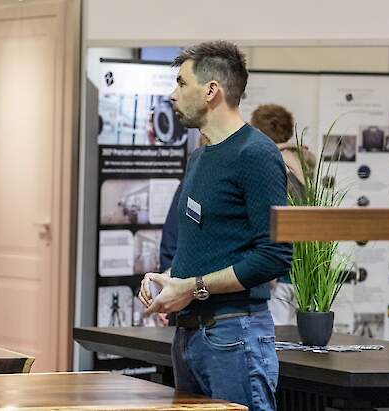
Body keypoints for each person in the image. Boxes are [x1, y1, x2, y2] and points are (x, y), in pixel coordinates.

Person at [138, 41, 292, 410]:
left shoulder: (256, 154)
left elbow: (274, 256)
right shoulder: (200, 158)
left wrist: (192, 287)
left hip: (234, 336)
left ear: (211, 91)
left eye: (181, 83)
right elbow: (209, 246)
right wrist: (169, 279)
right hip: (190, 336)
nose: (172, 95)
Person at [250, 104, 316, 326]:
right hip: (303, 272)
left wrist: (268, 269)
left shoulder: (274, 164)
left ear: (260, 131)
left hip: (279, 273)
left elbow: (274, 218)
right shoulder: (301, 164)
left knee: (277, 339)